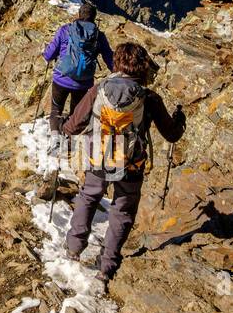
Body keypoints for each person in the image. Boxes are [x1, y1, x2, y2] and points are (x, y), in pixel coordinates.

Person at [61, 41, 185, 289]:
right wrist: (179, 119)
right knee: (122, 211)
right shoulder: (148, 97)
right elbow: (171, 135)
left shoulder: (99, 90)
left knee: (88, 198)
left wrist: (65, 124)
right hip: (131, 164)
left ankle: (73, 249)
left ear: (117, 63)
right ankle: (106, 267)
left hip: (98, 158)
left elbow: (73, 126)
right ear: (142, 66)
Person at [41, 1, 113, 133]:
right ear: (94, 17)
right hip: (83, 83)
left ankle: (55, 139)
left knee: (56, 109)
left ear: (78, 14)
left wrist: (45, 54)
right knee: (76, 113)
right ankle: (69, 138)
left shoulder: (65, 30)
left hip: (61, 79)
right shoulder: (98, 36)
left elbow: (50, 54)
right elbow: (109, 59)